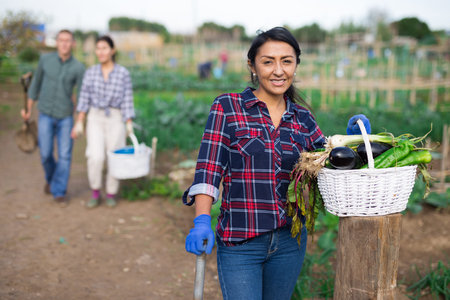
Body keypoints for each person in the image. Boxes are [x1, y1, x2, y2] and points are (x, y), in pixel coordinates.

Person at [182, 27, 371, 299]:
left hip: (289, 243)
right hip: (240, 241)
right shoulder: (228, 107)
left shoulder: (303, 118)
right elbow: (209, 168)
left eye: (287, 61)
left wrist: (354, 142)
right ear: (253, 66)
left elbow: (327, 161)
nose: (278, 70)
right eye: (268, 61)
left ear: (296, 65)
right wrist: (201, 220)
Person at [21, 29, 85, 206]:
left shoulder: (78, 68)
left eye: (68, 41)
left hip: (65, 116)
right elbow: (35, 85)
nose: (64, 44)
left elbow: (81, 96)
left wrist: (79, 121)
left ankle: (59, 190)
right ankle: (52, 179)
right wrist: (28, 108)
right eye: (61, 40)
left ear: (72, 44)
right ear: (56, 42)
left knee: (65, 155)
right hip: (46, 114)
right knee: (45, 153)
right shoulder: (45, 60)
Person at [71, 35, 135, 208]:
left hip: (115, 117)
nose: (101, 52)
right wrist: (79, 121)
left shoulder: (123, 73)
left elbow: (127, 99)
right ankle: (95, 191)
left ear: (112, 50)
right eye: (98, 48)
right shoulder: (90, 72)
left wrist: (128, 122)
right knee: (95, 156)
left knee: (114, 155)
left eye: (104, 48)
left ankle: (111, 193)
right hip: (95, 116)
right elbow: (84, 98)